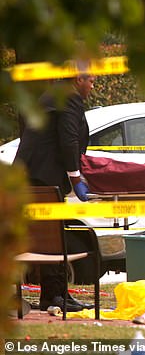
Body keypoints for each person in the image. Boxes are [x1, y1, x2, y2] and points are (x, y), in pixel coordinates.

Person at [14, 73, 96, 312]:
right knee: (51, 235)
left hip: (34, 174)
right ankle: (55, 296)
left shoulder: (54, 95)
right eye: (91, 80)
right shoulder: (68, 97)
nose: (92, 85)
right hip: (44, 176)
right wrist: (76, 177)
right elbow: (68, 139)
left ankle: (54, 296)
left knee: (48, 234)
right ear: (77, 79)